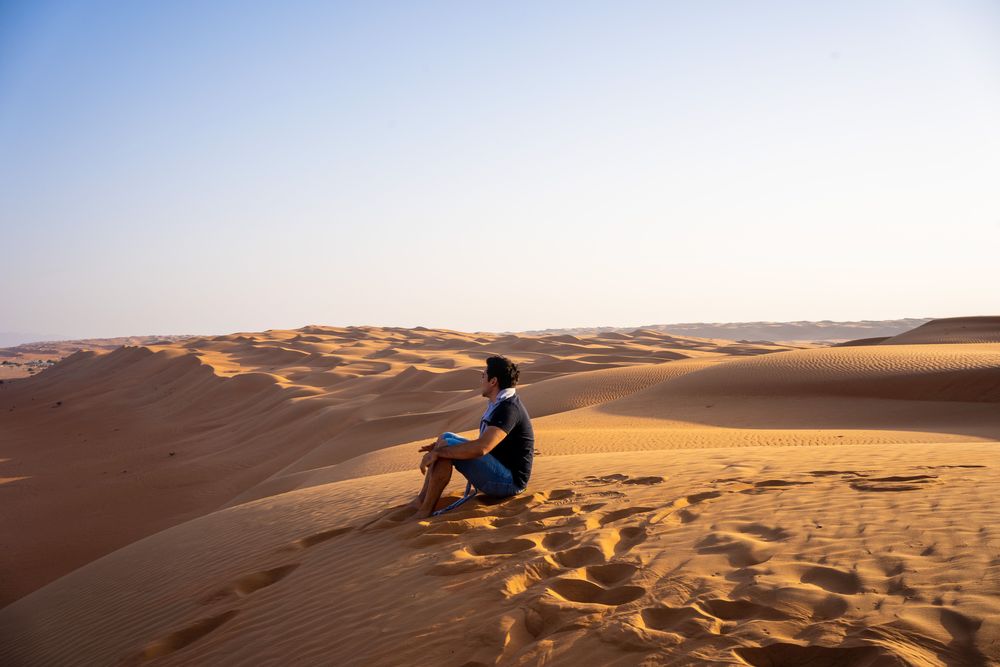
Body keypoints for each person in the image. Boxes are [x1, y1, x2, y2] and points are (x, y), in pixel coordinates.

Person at [410, 355, 534, 519]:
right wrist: (438, 447)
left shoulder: (508, 409)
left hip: (509, 483)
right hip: (499, 469)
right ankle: (421, 500)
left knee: (445, 450)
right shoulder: (500, 403)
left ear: (493, 381)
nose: (481, 379)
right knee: (445, 438)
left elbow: (482, 448)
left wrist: (440, 453)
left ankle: (425, 510)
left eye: (483, 375)